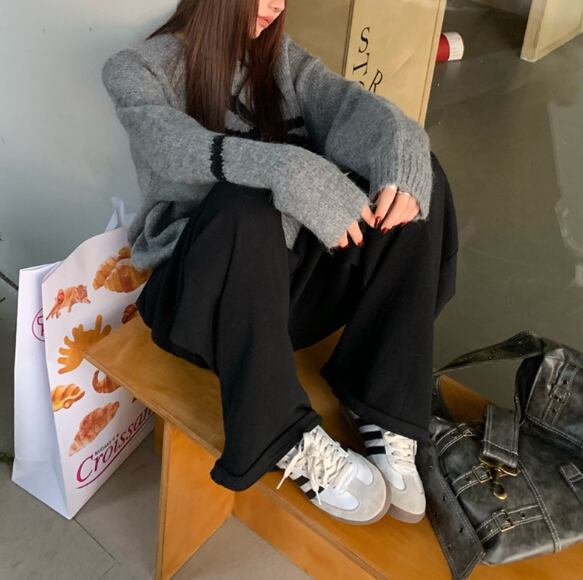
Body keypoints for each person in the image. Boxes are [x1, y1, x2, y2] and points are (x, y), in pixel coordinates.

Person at [101, 0, 459, 526]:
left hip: (281, 296)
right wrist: (289, 169)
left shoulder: (280, 60)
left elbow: (351, 106)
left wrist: (402, 153)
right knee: (241, 208)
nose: (278, 5)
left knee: (415, 177)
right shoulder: (136, 68)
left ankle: (379, 400)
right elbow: (172, 148)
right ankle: (281, 434)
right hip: (204, 301)